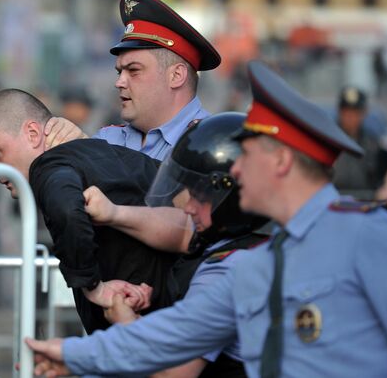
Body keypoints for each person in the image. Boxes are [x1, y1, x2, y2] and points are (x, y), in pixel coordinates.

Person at [25, 61, 387, 378]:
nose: (234, 170)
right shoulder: (256, 264)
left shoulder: (368, 236)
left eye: (247, 156)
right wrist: (73, 355)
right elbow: (172, 337)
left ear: (280, 162)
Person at [0, 88, 180, 334]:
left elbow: (67, 211)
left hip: (142, 330)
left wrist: (94, 288)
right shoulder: (115, 155)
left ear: (32, 133)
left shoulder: (48, 168)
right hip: (175, 320)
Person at [84, 112, 269, 377]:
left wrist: (124, 322)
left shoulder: (226, 269)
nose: (187, 207)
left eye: (197, 195)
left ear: (231, 197)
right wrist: (112, 213)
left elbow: (171, 374)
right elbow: (180, 232)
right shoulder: (259, 244)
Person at [44, 0, 221, 161]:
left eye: (134, 70)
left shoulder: (211, 143)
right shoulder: (108, 138)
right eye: (119, 71)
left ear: (176, 75)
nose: (119, 82)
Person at [332, 86, 384, 196]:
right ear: (339, 111)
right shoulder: (327, 139)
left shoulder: (373, 143)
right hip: (332, 200)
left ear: (364, 113)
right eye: (347, 112)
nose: (350, 117)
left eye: (356, 112)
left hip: (365, 201)